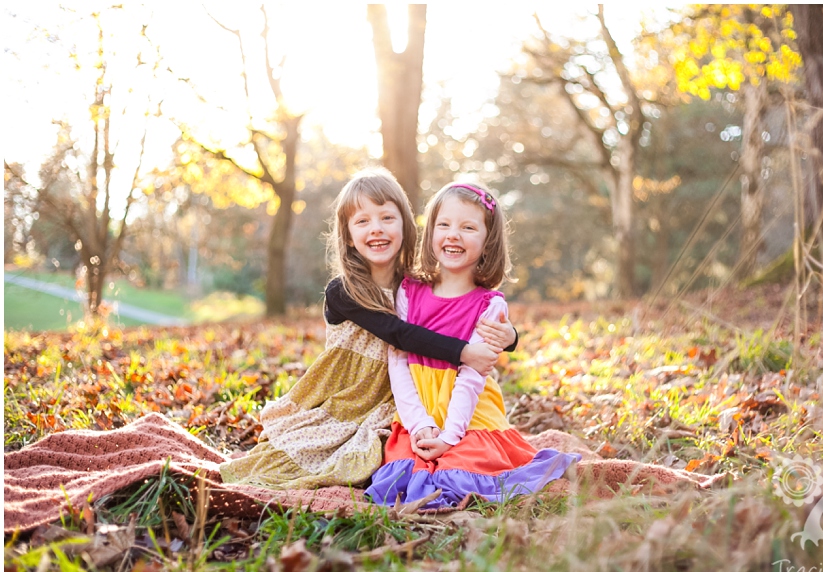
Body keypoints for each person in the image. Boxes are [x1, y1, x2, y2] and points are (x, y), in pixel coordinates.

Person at [220, 169, 517, 490]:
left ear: (406, 224)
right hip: (348, 394)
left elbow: (465, 311)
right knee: (318, 456)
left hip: (395, 397)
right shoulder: (344, 291)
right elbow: (399, 335)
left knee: (384, 456)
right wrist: (464, 353)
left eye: (387, 218)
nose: (376, 229)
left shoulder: (414, 285)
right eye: (362, 221)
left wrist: (510, 337)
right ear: (347, 234)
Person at [365, 182, 580, 509]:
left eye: (468, 227)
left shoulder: (489, 306)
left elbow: (471, 377)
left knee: (458, 473)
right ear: (431, 231)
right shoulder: (408, 291)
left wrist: (449, 436)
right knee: (407, 474)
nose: (453, 235)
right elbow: (398, 360)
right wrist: (421, 425)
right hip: (417, 413)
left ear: (487, 241)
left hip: (469, 414)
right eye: (444, 225)